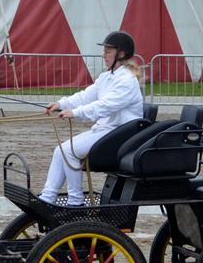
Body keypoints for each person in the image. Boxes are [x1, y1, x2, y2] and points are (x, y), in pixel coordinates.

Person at [39, 30, 144, 207]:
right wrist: (62, 104)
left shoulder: (126, 80)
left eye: (108, 51)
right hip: (106, 130)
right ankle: (47, 198)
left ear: (121, 54)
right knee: (60, 151)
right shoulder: (107, 77)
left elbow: (104, 105)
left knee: (69, 152)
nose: (104, 55)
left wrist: (76, 112)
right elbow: (86, 95)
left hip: (120, 134)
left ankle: (76, 201)